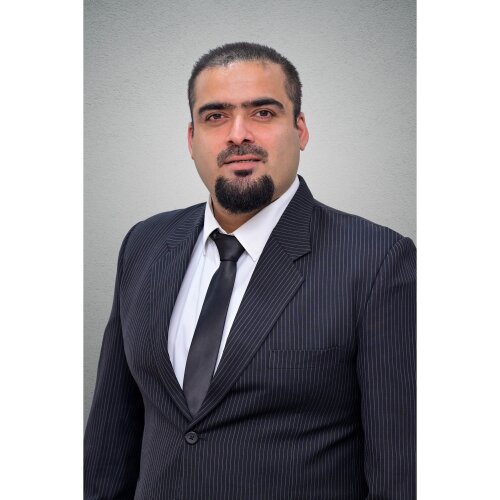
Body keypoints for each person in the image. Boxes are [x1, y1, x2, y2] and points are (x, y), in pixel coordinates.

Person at [84, 42, 416, 500]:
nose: (238, 134)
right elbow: (109, 445)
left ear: (300, 129)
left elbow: (401, 472)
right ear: (192, 139)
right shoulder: (145, 244)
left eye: (263, 113)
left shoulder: (377, 260)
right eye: (215, 116)